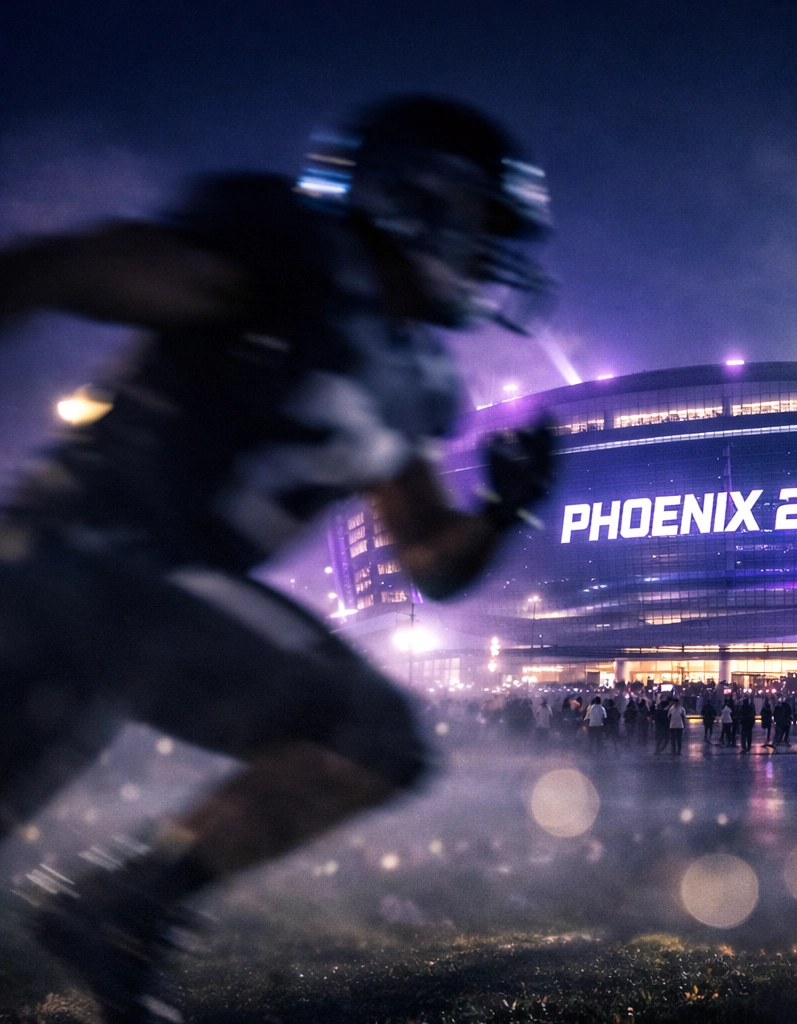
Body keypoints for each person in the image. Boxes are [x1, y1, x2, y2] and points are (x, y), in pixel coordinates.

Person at [0, 96, 556, 1024]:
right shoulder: (291, 257)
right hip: (79, 568)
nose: (488, 257)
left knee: (374, 740)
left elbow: (429, 558)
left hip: (136, 610)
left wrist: (504, 511)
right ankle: (120, 907)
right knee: (366, 726)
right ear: (416, 200)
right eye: (478, 226)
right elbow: (71, 268)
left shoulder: (406, 376)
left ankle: (123, 907)